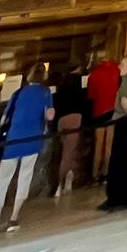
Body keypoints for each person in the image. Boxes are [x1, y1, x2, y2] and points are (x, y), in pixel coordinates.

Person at [0, 63, 53, 236]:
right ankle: (14, 217)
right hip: (33, 138)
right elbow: (49, 115)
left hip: (13, 138)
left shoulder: (18, 93)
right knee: (25, 176)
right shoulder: (45, 93)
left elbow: (4, 119)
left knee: (3, 179)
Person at [98, 53, 127, 211]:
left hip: (125, 122)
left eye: (123, 64)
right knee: (119, 161)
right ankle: (119, 198)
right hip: (126, 121)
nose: (119, 67)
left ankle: (118, 198)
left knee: (118, 161)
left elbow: (126, 101)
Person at [86, 49, 121, 184]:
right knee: (109, 145)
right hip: (113, 110)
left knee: (98, 144)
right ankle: (106, 173)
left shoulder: (94, 75)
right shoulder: (116, 70)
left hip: (99, 111)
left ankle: (95, 174)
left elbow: (91, 96)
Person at [52, 65, 87, 196]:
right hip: (74, 118)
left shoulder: (61, 84)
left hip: (61, 120)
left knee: (65, 151)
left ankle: (65, 180)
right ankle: (64, 182)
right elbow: (83, 102)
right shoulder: (78, 82)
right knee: (70, 152)